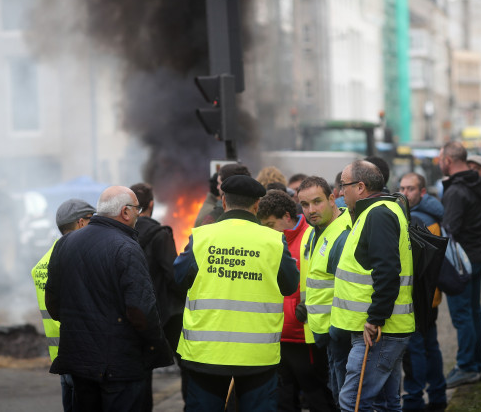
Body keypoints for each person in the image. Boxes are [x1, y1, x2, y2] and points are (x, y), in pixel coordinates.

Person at [174, 175, 300, 412]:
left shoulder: (202, 237)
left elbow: (179, 279)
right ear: (256, 206)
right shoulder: (273, 241)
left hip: (205, 353)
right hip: (257, 355)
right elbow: (290, 285)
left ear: (223, 201)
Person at [45, 186, 172, 412]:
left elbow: (53, 303)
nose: (138, 214)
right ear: (125, 212)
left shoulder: (64, 244)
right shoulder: (126, 248)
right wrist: (155, 345)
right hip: (121, 367)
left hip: (79, 363)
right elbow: (141, 311)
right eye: (136, 209)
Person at [331, 160, 414, 411]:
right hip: (383, 331)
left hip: (377, 332)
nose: (340, 192)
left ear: (360, 187)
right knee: (386, 405)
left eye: (343, 186)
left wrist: (375, 318)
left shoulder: (377, 214)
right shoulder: (379, 211)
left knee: (353, 403)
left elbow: (387, 271)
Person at [258, 190, 336, 412]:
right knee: (283, 401)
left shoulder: (311, 237)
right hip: (277, 336)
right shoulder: (268, 241)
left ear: (286, 216)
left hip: (305, 336)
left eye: (270, 224)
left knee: (318, 397)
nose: (267, 230)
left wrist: (308, 309)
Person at [31, 198, 96, 412]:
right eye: (91, 219)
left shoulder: (42, 263)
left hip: (59, 354)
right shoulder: (77, 260)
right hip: (81, 353)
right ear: (80, 223)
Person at [130, 182, 187, 412]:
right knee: (187, 364)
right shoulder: (161, 235)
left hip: (135, 314)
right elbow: (174, 276)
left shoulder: (123, 234)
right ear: (151, 205)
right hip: (167, 314)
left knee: (140, 371)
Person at [297, 176, 352, 407]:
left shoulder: (344, 233)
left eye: (317, 202)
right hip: (325, 333)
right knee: (338, 396)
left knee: (347, 400)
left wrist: (337, 331)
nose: (311, 210)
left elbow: (351, 290)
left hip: (343, 334)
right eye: (305, 205)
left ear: (332, 199)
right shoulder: (314, 231)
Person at [438, 142, 481, 388]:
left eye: (440, 157)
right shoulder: (477, 183)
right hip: (478, 255)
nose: (438, 162)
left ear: (448, 160)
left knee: (462, 315)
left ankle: (467, 367)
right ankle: (478, 363)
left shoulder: (455, 191)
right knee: (474, 311)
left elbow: (449, 230)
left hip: (462, 262)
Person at [398, 173, 447, 412]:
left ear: (422, 192)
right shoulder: (433, 216)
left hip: (418, 298)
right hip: (431, 296)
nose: (405, 193)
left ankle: (414, 400)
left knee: (416, 349)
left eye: (411, 189)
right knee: (431, 346)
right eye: (402, 188)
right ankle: (438, 395)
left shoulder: (417, 220)